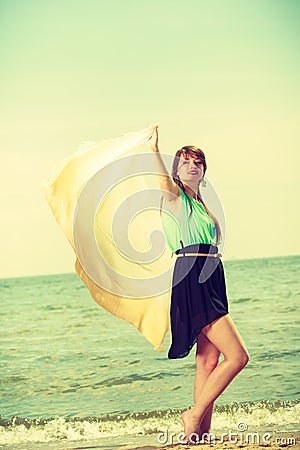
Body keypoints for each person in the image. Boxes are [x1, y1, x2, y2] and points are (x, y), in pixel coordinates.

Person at [149, 125, 250, 444]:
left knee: (208, 360)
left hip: (211, 275)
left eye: (199, 162)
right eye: (187, 162)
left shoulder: (202, 205)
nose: (194, 166)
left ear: (204, 171)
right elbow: (162, 181)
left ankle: (198, 436)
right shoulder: (175, 198)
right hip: (193, 274)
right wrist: (155, 151)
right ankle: (193, 414)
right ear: (177, 171)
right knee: (237, 357)